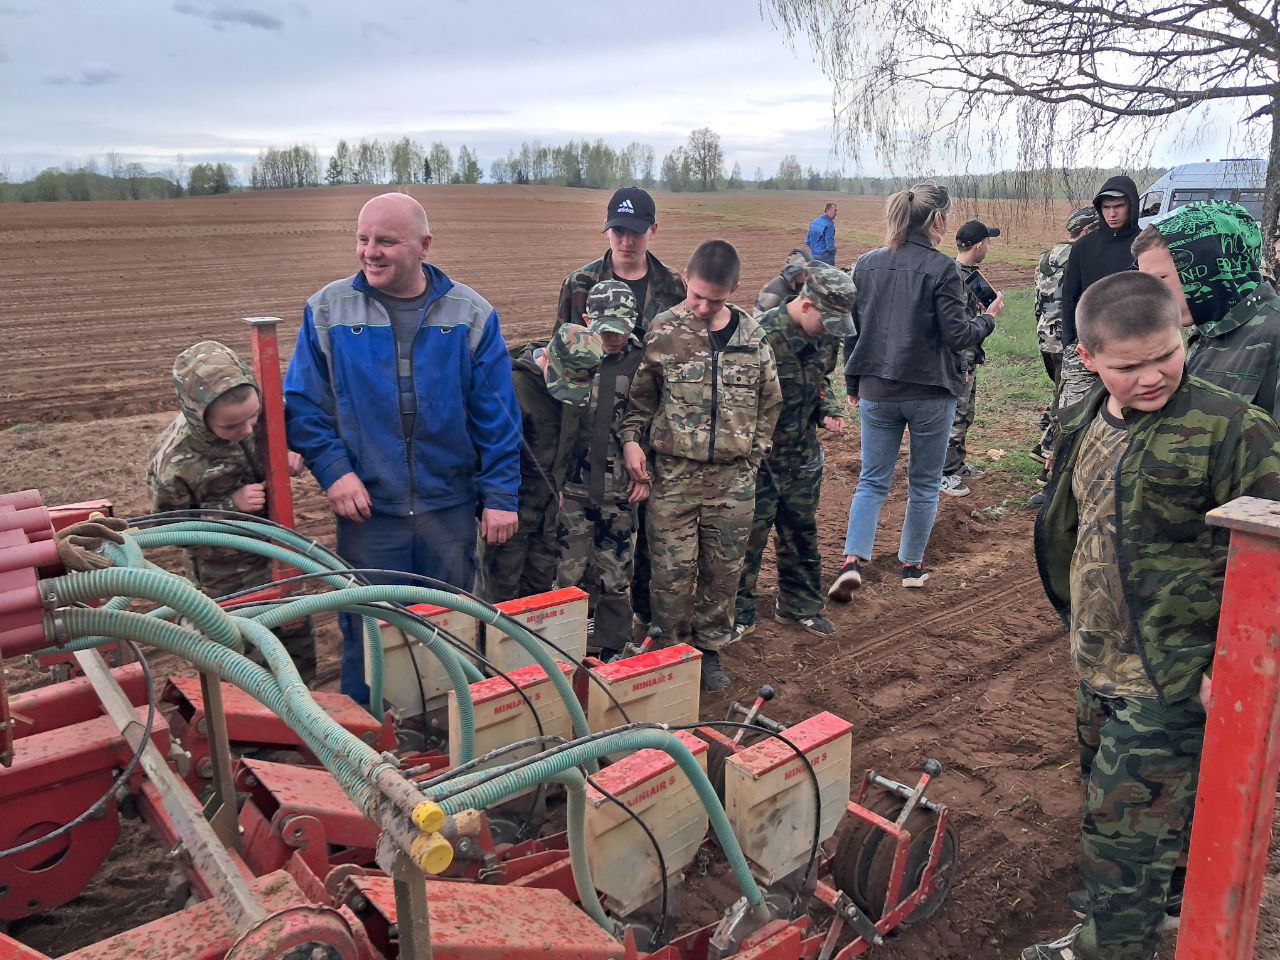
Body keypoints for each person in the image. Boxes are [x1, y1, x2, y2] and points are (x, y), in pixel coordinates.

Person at [1023, 270, 1280, 960]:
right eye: (1128, 366)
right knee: (1122, 818)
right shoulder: (1081, 420)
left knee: (1119, 843)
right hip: (1097, 662)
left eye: (1166, 355)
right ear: (1088, 359)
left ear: (1183, 335)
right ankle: (1158, 907)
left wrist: (1229, 667)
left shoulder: (1233, 430)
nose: (1152, 377)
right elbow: (1070, 527)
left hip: (1173, 676)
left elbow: (1268, 564)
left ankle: (1109, 947)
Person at [284, 192, 522, 703]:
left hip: (448, 508)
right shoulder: (328, 310)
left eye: (386, 241)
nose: (371, 251)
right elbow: (303, 406)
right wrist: (333, 470)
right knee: (369, 633)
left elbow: (497, 416)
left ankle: (443, 732)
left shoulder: (470, 314)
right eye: (363, 239)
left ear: (423, 246)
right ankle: (367, 740)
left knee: (450, 628)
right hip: (370, 512)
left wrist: (501, 495)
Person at [620, 240, 782, 691]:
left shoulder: (753, 337)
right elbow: (640, 401)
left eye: (716, 298)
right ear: (686, 279)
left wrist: (753, 456)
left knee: (723, 571)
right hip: (674, 478)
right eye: (696, 296)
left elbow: (770, 403)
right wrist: (633, 442)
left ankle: (708, 649)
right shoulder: (664, 331)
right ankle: (671, 651)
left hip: (732, 482)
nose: (704, 306)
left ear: (733, 289)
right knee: (670, 573)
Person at [827, 182, 1000, 599]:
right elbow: (959, 335)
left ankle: (852, 561)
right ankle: (912, 566)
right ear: (937, 221)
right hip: (931, 392)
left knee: (872, 480)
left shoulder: (865, 265)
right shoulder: (943, 269)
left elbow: (854, 330)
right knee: (924, 483)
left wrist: (853, 383)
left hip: (876, 390)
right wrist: (989, 318)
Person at [555, 186, 687, 638]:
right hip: (587, 453)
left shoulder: (673, 288)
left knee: (636, 548)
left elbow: (679, 372)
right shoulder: (579, 284)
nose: (625, 241)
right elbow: (564, 357)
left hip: (648, 441)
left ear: (652, 230)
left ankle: (634, 631)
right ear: (606, 229)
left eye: (634, 232)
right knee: (577, 553)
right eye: (617, 231)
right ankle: (581, 636)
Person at [149, 340, 316, 684]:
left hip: (281, 566)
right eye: (231, 427)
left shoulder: (264, 414)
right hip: (226, 586)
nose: (247, 430)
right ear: (199, 414)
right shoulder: (175, 463)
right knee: (244, 674)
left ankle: (306, 727)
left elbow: (296, 435)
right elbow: (170, 529)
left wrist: (286, 455)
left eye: (253, 417)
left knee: (298, 662)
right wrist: (230, 507)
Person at [734, 262, 853, 641]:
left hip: (801, 454)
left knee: (800, 531)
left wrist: (829, 409)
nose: (831, 333)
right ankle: (737, 615)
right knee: (747, 538)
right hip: (758, 460)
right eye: (827, 322)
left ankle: (799, 606)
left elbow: (821, 380)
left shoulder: (826, 334)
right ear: (806, 305)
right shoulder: (759, 336)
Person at [556, 281, 649, 656]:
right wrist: (555, 481)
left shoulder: (645, 363)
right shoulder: (571, 356)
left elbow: (656, 423)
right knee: (567, 572)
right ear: (586, 319)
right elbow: (554, 426)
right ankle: (562, 646)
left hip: (622, 490)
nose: (611, 338)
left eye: (620, 330)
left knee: (616, 572)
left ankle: (612, 647)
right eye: (605, 329)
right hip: (574, 489)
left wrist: (646, 477)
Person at [480, 324, 602, 603]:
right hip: (507, 511)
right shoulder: (510, 385)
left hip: (547, 510)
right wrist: (493, 501)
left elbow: (575, 437)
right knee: (501, 592)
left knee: (539, 587)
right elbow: (487, 450)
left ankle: (530, 645)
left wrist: (559, 484)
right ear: (546, 356)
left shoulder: (577, 384)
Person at [1134, 200, 1280, 422]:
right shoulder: (1208, 330)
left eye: (1160, 279)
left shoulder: (1273, 333)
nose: (1152, 296)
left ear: (1211, 265)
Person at [1057, 176, 1141, 409]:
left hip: (1130, 346)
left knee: (1125, 413)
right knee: (1072, 413)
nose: (1112, 214)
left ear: (1132, 206)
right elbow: (1070, 296)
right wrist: (1070, 340)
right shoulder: (1084, 247)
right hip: (1086, 346)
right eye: (1106, 207)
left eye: (1119, 206)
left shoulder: (1145, 245)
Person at [1032, 207, 1099, 464]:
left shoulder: (1046, 257)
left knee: (1060, 389)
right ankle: (1049, 448)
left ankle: (1046, 439)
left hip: (1046, 336)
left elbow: (1038, 300)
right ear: (1085, 231)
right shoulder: (1083, 257)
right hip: (1069, 338)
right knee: (1068, 394)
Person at [940, 220, 1002, 497]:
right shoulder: (954, 277)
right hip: (958, 358)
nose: (988, 248)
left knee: (966, 413)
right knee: (955, 416)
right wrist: (989, 315)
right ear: (978, 246)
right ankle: (944, 473)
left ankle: (957, 464)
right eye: (987, 243)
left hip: (967, 356)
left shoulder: (964, 274)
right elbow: (957, 328)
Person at [754, 248, 810, 314]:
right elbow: (758, 318)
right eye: (802, 272)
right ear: (792, 272)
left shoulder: (803, 285)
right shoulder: (773, 293)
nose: (806, 275)